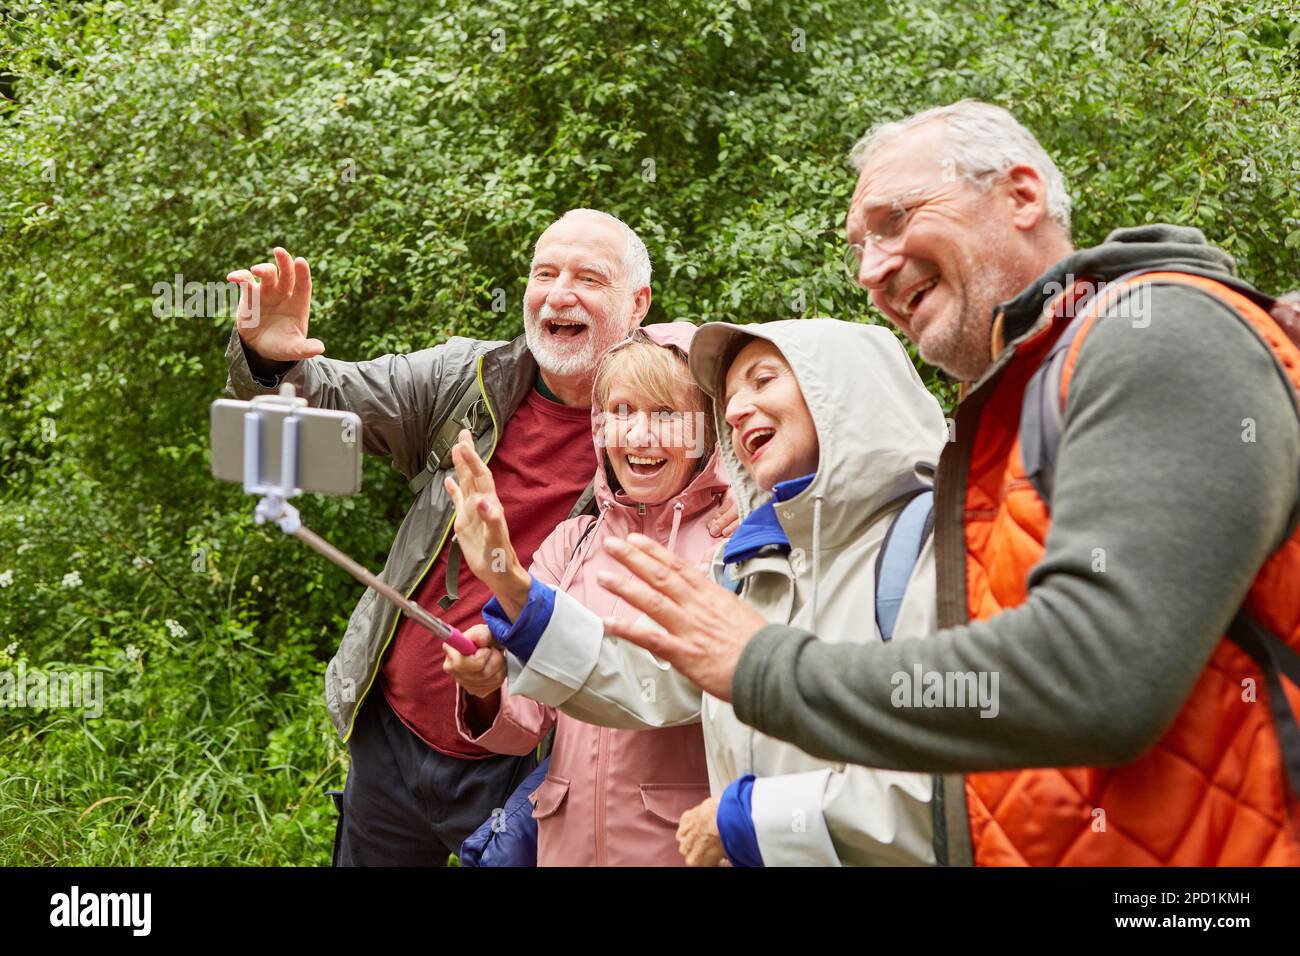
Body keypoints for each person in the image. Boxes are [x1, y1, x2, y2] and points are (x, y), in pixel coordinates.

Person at [597, 100, 1300, 866]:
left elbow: (1091, 675)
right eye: (860, 247)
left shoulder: (1158, 336)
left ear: (1022, 195)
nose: (871, 269)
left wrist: (764, 668)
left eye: (894, 220)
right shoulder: (1008, 419)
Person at [222, 209, 738, 866]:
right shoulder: (467, 378)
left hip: (528, 756)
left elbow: (777, 432)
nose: (558, 293)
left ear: (638, 303)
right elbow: (324, 404)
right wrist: (268, 360)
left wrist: (746, 494)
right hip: (395, 732)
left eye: (588, 277)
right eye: (544, 273)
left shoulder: (681, 415)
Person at [456, 317, 950, 866]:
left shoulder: (937, 546)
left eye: (763, 381)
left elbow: (950, 790)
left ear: (843, 389)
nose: (736, 408)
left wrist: (745, 819)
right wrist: (512, 586)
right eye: (731, 396)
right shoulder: (759, 565)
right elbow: (653, 679)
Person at [441, 323, 725, 865]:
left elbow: (665, 691)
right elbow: (524, 724)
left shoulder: (731, 543)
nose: (639, 436)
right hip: (564, 847)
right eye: (621, 411)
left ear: (706, 429)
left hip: (684, 850)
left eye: (666, 415)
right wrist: (485, 684)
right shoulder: (572, 543)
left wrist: (507, 579)